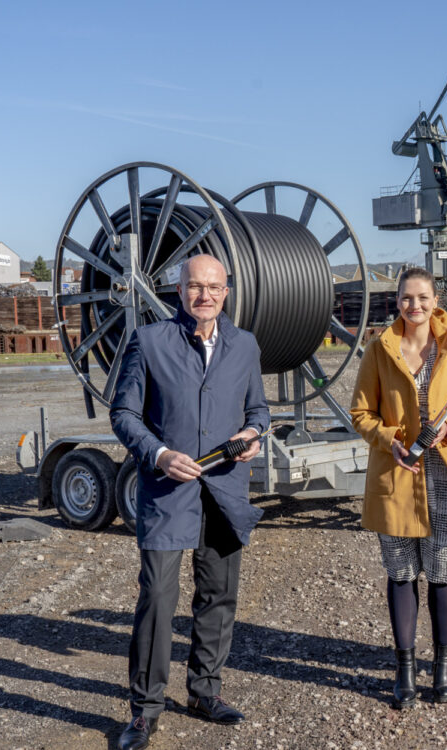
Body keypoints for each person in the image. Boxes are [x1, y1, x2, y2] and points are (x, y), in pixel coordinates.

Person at [110, 254, 269, 750]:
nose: (205, 295)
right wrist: (157, 454)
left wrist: (254, 431)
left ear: (227, 292)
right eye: (195, 286)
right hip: (168, 489)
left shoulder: (244, 345)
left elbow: (259, 408)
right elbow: (124, 413)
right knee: (158, 597)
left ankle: (204, 691)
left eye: (214, 287)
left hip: (223, 488)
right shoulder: (150, 341)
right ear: (179, 291)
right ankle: (145, 709)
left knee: (219, 595)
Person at [350, 267, 447, 709]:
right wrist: (391, 441)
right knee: (401, 572)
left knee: (443, 574)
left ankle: (443, 666)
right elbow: (361, 413)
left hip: (445, 477)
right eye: (407, 298)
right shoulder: (379, 349)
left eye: (423, 297)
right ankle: (405, 668)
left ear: (435, 299)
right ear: (397, 302)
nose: (416, 306)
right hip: (396, 478)